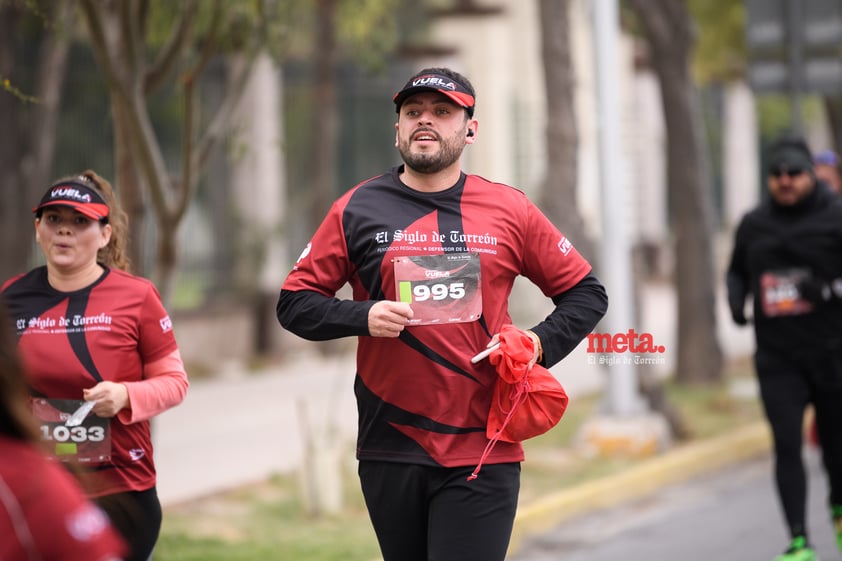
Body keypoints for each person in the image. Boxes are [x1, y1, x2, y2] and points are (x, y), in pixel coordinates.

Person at [276, 67, 608, 561]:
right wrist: (362, 316)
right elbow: (294, 303)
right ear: (397, 130)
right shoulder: (356, 209)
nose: (424, 121)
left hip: (483, 447)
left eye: (442, 112)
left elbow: (586, 292)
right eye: (413, 113)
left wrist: (537, 344)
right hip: (390, 444)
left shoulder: (508, 209)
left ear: (470, 128)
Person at [1, 171, 190, 561]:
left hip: (120, 491)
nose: (64, 232)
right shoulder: (10, 298)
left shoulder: (136, 297)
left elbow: (174, 382)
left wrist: (125, 394)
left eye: (79, 222)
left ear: (104, 234)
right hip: (39, 488)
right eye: (53, 220)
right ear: (38, 229)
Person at [726, 135, 842, 561]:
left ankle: (839, 513)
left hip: (832, 353)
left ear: (810, 175)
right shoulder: (755, 223)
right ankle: (798, 541)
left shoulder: (835, 218)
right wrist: (736, 301)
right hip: (778, 358)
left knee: (836, 448)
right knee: (787, 445)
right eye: (777, 175)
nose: (785, 181)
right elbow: (737, 271)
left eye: (794, 174)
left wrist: (828, 289)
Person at [0, 298, 127, 561]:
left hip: (114, 482)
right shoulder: (13, 293)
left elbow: (173, 378)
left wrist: (127, 394)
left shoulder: (26, 484)